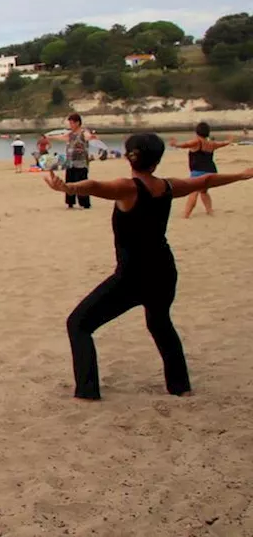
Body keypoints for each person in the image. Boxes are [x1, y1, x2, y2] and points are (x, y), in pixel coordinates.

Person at [43, 133, 253, 400]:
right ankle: (180, 387)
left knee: (78, 324)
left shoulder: (128, 188)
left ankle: (87, 391)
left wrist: (68, 188)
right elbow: (206, 180)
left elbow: (96, 185)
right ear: (156, 162)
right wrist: (243, 175)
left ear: (131, 157)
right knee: (160, 323)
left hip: (131, 278)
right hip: (164, 270)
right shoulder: (168, 186)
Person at [169, 123, 234, 218]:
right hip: (211, 171)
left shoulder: (197, 142)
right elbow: (222, 144)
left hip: (198, 171)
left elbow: (185, 145)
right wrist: (229, 141)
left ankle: (186, 215)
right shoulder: (211, 143)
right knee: (203, 192)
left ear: (197, 132)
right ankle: (210, 211)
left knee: (193, 191)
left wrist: (175, 144)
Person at [49, 114, 94, 209]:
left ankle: (85, 204)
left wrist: (90, 136)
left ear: (77, 122)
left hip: (81, 163)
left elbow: (88, 136)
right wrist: (49, 137)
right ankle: (70, 203)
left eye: (72, 123)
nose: (70, 125)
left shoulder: (83, 132)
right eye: (70, 123)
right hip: (70, 163)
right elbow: (61, 137)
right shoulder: (70, 134)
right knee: (69, 184)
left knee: (82, 184)